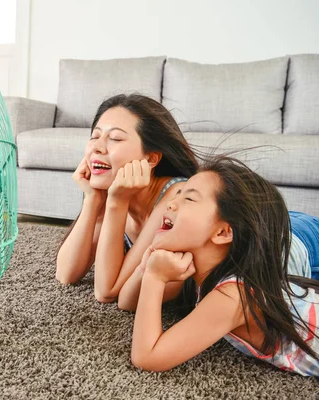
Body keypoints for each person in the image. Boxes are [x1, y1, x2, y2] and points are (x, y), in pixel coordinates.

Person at [129, 155, 319, 377]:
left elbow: (147, 357)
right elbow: (129, 302)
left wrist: (154, 277)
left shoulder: (234, 296)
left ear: (223, 233)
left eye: (189, 199)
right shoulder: (204, 272)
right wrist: (146, 267)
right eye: (178, 194)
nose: (170, 203)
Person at [55, 93, 199, 303]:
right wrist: (92, 200)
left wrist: (117, 202)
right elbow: (66, 275)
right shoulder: (110, 190)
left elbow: (107, 292)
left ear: (150, 158)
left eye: (115, 138)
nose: (97, 147)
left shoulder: (176, 196)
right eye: (95, 136)